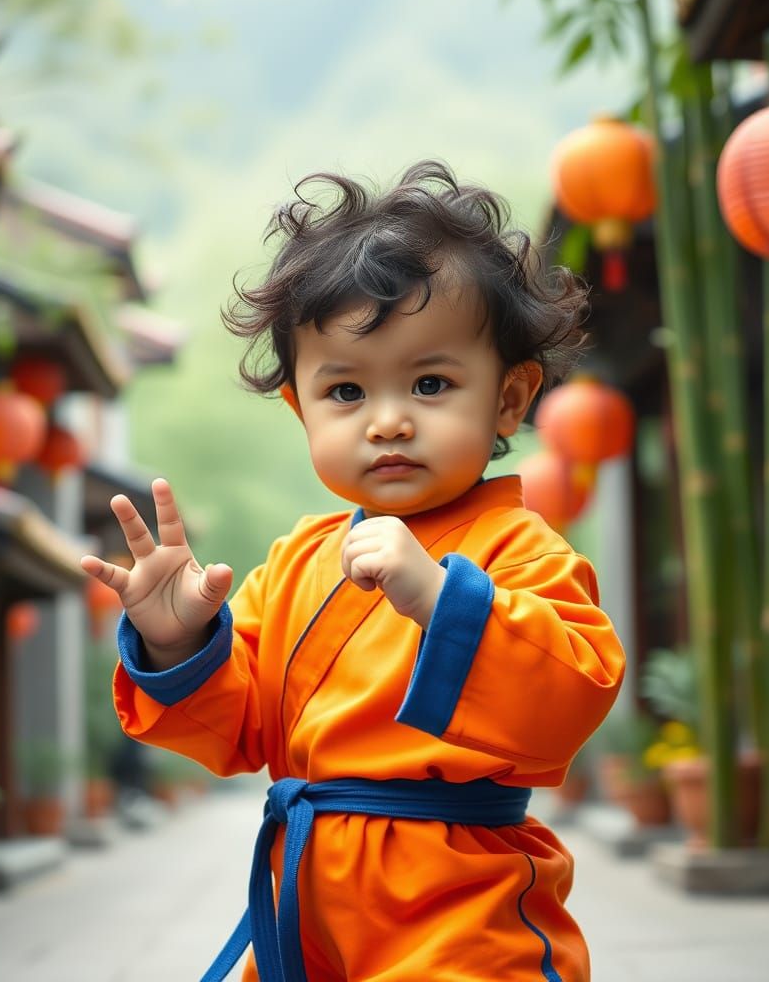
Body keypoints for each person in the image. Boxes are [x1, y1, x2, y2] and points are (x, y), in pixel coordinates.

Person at [81, 161, 625, 982]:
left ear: (510, 400)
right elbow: (241, 727)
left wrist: (441, 599)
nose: (389, 421)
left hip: (458, 898)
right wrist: (177, 645)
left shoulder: (520, 549)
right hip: (303, 901)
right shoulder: (302, 557)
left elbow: (572, 695)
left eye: (431, 382)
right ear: (300, 407)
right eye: (345, 392)